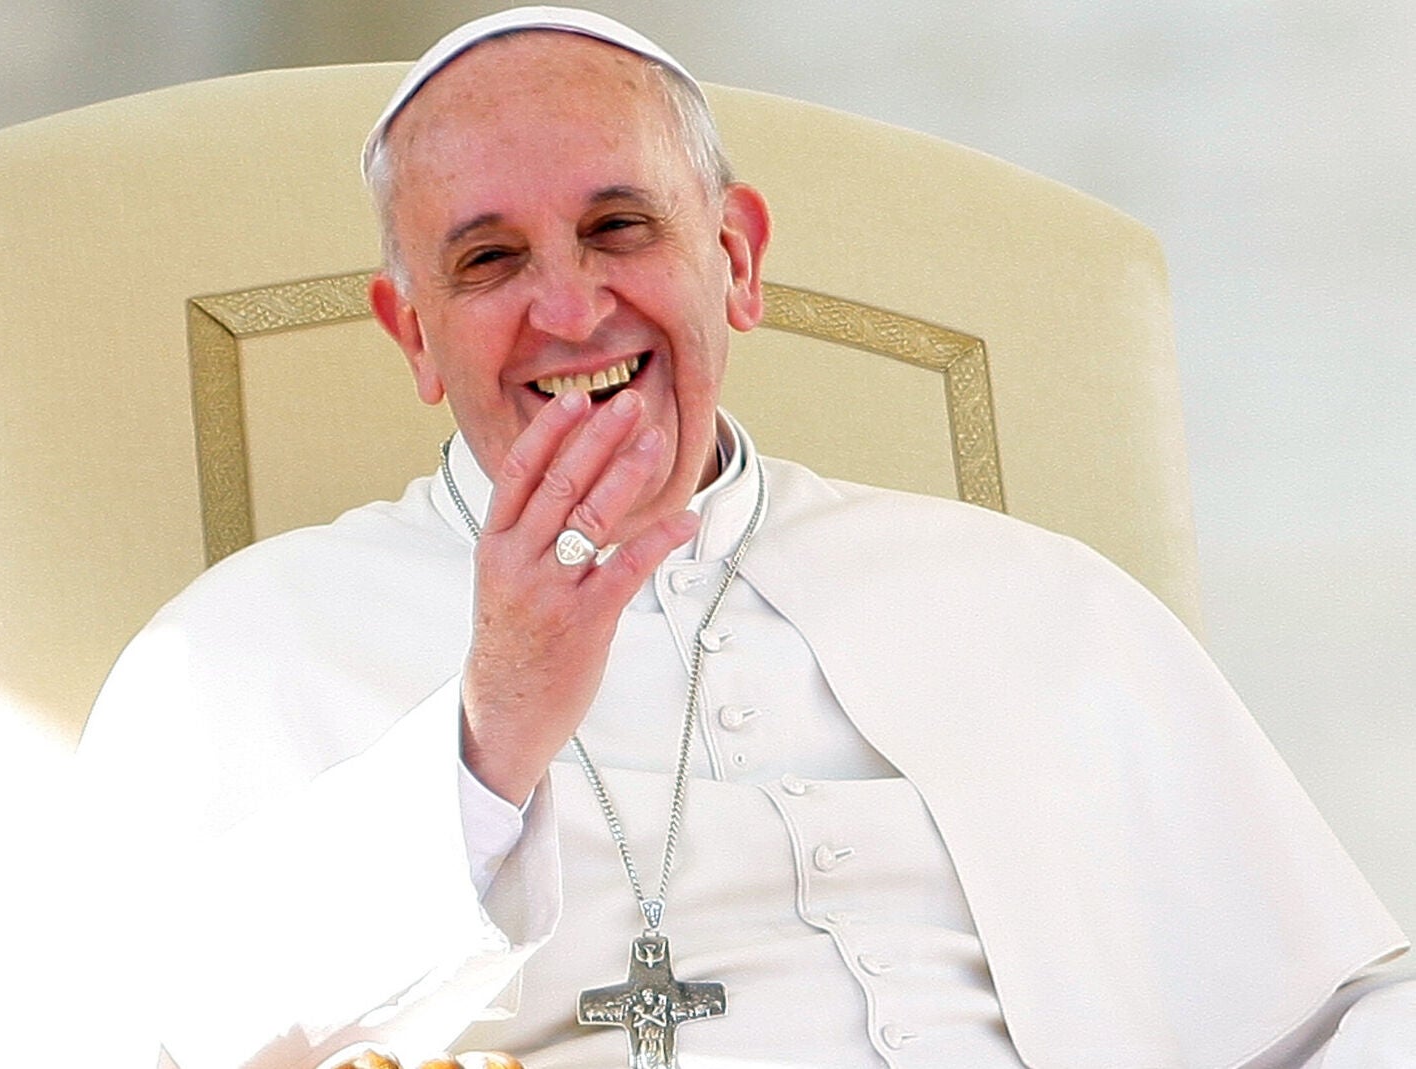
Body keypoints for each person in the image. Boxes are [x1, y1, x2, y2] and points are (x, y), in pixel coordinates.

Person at [75, 8, 1412, 1067]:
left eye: (619, 226)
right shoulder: (237, 650)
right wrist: (488, 740)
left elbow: (1340, 1007)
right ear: (413, 332)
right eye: (487, 262)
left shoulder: (1029, 596)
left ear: (738, 258)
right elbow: (153, 1035)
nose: (570, 306)